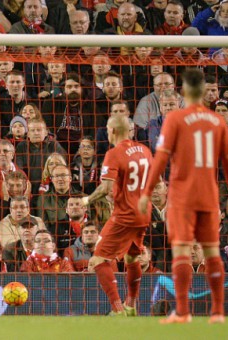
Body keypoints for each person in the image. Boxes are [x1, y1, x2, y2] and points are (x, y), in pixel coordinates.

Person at [139, 69, 228, 324]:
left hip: (182, 196)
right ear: (203, 91)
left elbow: (161, 159)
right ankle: (218, 312)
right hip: (208, 195)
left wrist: (147, 192)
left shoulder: (174, 119)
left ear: (183, 92)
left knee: (182, 252)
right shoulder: (217, 121)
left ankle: (183, 312)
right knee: (212, 253)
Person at [82, 115, 153, 316]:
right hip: (143, 213)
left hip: (124, 215)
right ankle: (131, 305)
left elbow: (105, 188)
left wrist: (87, 200)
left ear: (112, 131)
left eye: (107, 128)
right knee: (132, 258)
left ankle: (117, 309)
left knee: (98, 259)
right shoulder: (145, 151)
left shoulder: (114, 154)